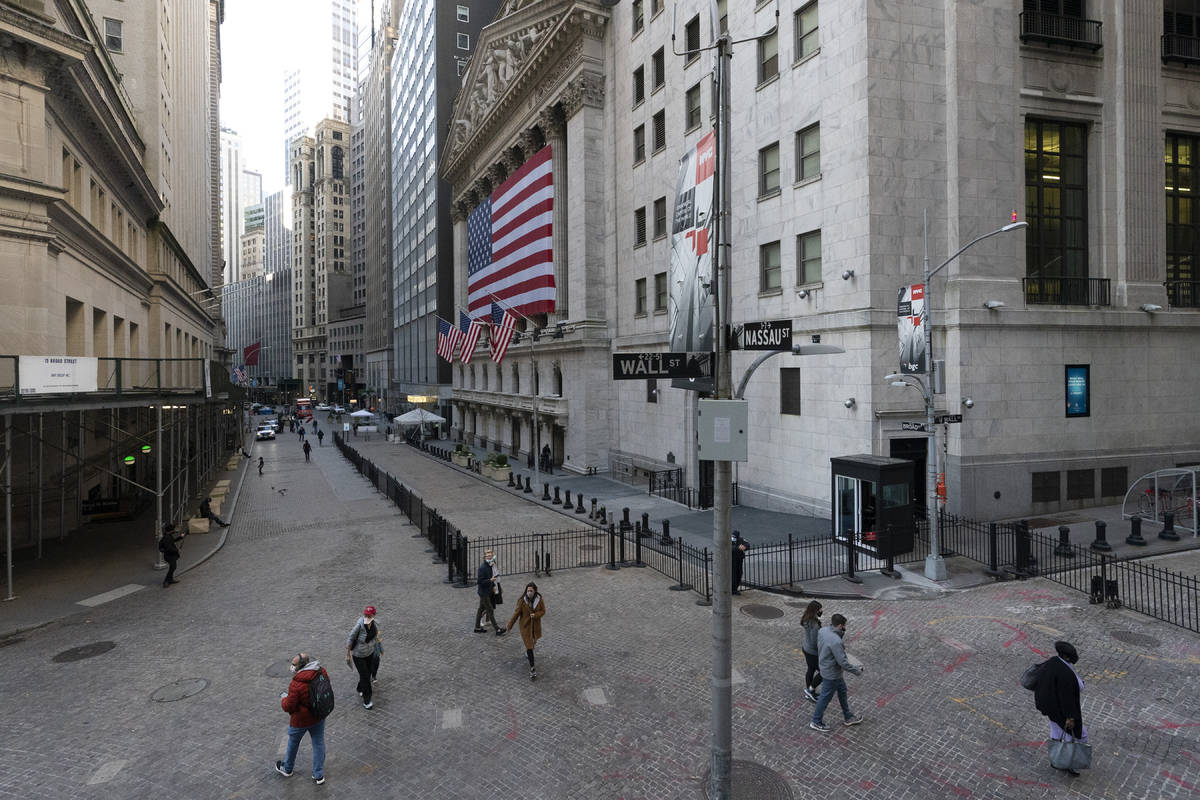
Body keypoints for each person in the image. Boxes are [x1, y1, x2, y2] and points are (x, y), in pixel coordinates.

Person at [1034, 641, 1088, 777]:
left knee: (1056, 733)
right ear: (1066, 657)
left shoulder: (1052, 662)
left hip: (1050, 707)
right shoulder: (1067, 675)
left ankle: (1056, 759)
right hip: (1061, 711)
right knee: (1078, 735)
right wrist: (1070, 717)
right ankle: (1070, 764)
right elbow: (1069, 698)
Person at [276, 652, 329, 785]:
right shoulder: (321, 672)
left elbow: (289, 706)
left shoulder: (296, 684)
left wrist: (284, 699)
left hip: (300, 720)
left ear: (301, 666)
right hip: (318, 715)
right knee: (318, 743)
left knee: (293, 743)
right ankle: (318, 775)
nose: (291, 667)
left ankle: (287, 768)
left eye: (293, 665)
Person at [810, 613, 864, 731]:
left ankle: (848, 716)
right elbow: (843, 662)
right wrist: (857, 671)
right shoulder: (836, 641)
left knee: (842, 691)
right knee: (824, 698)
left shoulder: (823, 631)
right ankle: (816, 721)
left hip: (827, 668)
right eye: (844, 626)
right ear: (840, 625)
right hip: (832, 674)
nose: (844, 627)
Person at [506, 582, 546, 680]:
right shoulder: (522, 601)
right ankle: (532, 669)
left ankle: (528, 652)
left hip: (535, 627)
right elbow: (516, 614)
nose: (529, 592)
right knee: (529, 647)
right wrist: (510, 625)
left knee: (533, 643)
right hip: (526, 627)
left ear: (535, 591)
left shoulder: (539, 600)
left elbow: (543, 611)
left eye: (531, 591)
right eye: (528, 591)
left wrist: (535, 615)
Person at [345, 606, 380, 709]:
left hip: (370, 653)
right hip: (358, 655)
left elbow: (375, 638)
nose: (367, 616)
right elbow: (350, 638)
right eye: (366, 614)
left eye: (369, 615)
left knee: (368, 673)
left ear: (373, 615)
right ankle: (367, 700)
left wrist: (377, 649)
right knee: (365, 676)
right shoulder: (359, 625)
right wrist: (348, 654)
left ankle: (360, 688)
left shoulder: (374, 624)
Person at [473, 548, 505, 636]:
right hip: (484, 592)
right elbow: (480, 581)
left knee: (481, 609)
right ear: (484, 557)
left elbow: (493, 577)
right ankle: (497, 629)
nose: (489, 555)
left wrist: (494, 585)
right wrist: (490, 581)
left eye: (490, 553)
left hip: (488, 591)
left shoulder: (490, 565)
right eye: (487, 554)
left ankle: (477, 628)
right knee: (490, 610)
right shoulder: (483, 568)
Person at [800, 600, 824, 702]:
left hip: (806, 648)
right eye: (820, 610)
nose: (821, 611)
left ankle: (809, 691)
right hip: (812, 652)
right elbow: (815, 642)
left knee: (811, 669)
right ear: (815, 611)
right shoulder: (814, 625)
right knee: (824, 672)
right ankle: (810, 690)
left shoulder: (806, 618)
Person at [158, 523, 185, 587]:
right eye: (173, 530)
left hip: (170, 555)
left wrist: (180, 537)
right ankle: (166, 581)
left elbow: (173, 541)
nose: (174, 531)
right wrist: (177, 550)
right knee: (173, 567)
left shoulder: (168, 535)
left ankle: (170, 579)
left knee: (173, 567)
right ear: (170, 530)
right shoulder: (167, 538)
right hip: (169, 556)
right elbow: (169, 548)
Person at [731, 530, 749, 595]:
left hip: (739, 559)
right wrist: (738, 548)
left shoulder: (741, 539)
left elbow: (747, 544)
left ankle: (735, 589)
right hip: (732, 560)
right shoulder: (728, 540)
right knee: (733, 575)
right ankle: (732, 589)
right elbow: (728, 547)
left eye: (735, 537)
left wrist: (744, 547)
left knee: (739, 573)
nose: (733, 537)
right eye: (733, 536)